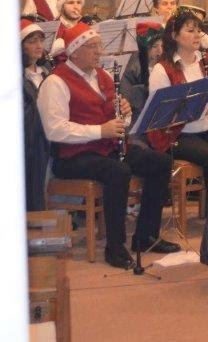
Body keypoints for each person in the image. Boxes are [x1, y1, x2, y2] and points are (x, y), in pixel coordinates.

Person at [39, 22, 180, 269]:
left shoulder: (101, 76)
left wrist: (124, 113)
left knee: (160, 162)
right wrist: (100, 131)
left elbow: (118, 119)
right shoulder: (56, 82)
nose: (99, 52)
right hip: (72, 156)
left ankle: (146, 235)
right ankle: (115, 247)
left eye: (99, 46)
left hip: (106, 148)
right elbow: (55, 129)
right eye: (92, 47)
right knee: (118, 171)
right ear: (74, 52)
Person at [148, 9, 208, 204]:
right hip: (178, 135)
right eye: (190, 31)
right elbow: (161, 113)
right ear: (175, 36)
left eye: (198, 30)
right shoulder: (162, 69)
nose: (197, 35)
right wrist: (198, 106)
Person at [22, 19, 51, 211]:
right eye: (33, 41)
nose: (39, 46)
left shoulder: (47, 73)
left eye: (41, 40)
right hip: (29, 140)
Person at [120, 21, 163, 116]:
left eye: (162, 45)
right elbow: (126, 102)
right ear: (144, 48)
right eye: (154, 46)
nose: (160, 51)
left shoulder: (165, 64)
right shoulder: (132, 69)